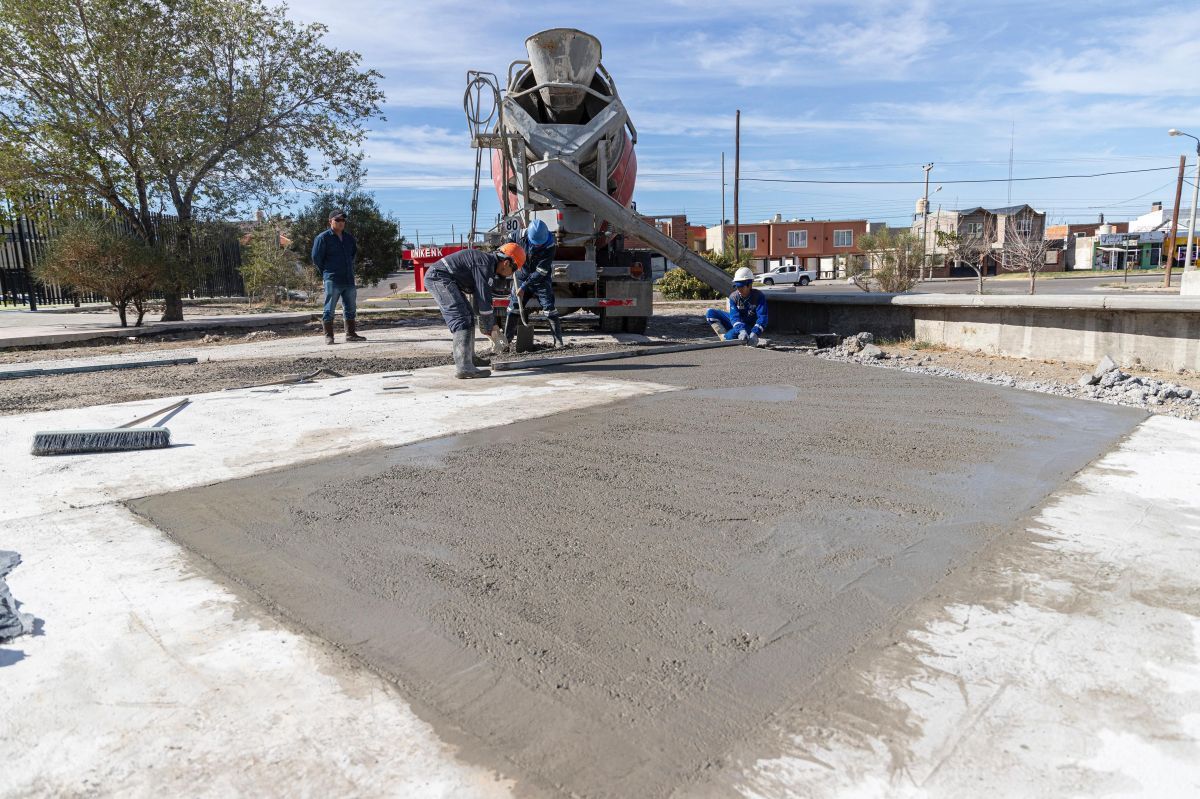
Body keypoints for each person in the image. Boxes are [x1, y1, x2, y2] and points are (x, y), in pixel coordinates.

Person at [425, 243, 525, 378]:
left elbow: (480, 299)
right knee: (461, 318)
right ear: (506, 263)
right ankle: (464, 367)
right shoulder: (485, 265)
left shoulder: (488, 265)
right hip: (438, 277)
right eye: (514, 269)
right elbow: (484, 299)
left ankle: (470, 358)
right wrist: (492, 327)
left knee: (467, 315)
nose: (511, 274)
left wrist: (490, 329)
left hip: (445, 278)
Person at [503, 218, 563, 349]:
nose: (537, 246)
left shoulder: (550, 245)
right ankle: (506, 342)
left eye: (539, 244)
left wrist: (524, 287)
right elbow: (508, 240)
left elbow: (541, 271)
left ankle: (558, 342)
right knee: (513, 307)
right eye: (535, 243)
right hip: (521, 275)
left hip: (541, 279)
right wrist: (509, 254)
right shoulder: (519, 235)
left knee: (549, 308)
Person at [311, 210, 365, 345]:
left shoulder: (349, 238)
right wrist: (327, 272)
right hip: (332, 279)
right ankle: (329, 336)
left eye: (343, 220)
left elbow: (352, 254)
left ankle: (350, 334)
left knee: (351, 308)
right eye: (338, 220)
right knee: (329, 308)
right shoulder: (323, 238)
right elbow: (316, 258)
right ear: (330, 221)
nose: (341, 222)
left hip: (348, 279)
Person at [705, 266, 768, 344]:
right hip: (738, 323)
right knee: (710, 313)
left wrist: (755, 333)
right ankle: (724, 337)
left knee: (730, 337)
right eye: (737, 286)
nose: (739, 289)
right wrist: (741, 330)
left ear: (749, 285)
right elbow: (734, 317)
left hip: (749, 326)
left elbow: (762, 318)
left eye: (741, 286)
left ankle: (730, 336)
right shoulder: (734, 297)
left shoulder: (758, 296)